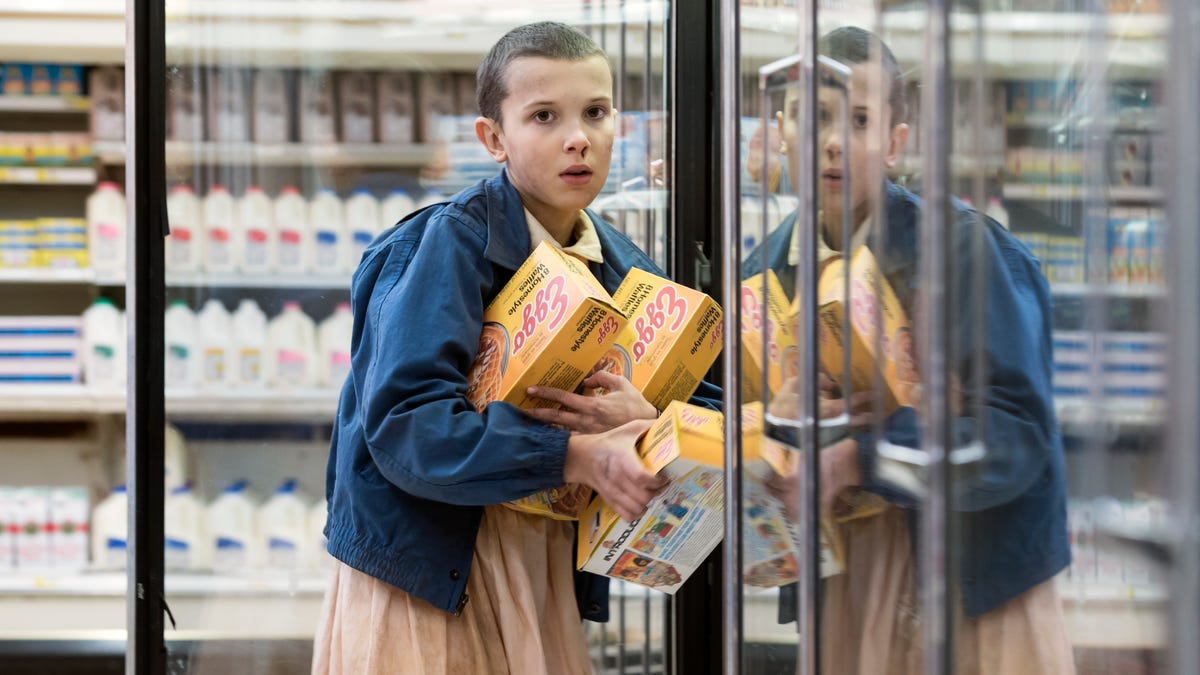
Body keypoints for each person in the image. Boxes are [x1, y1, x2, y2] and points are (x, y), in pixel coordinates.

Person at [312, 21, 721, 675]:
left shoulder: (624, 267)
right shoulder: (444, 246)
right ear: (493, 138)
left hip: (540, 571)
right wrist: (573, 452)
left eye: (596, 111)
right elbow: (406, 427)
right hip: (426, 577)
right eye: (543, 116)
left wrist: (648, 421)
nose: (578, 137)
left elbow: (710, 407)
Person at [744, 26, 1075, 673]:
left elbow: (1016, 437)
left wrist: (862, 457)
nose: (834, 141)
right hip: (846, 580)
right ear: (779, 131)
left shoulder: (965, 252)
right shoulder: (766, 270)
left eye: (860, 119)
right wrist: (776, 427)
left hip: (976, 585)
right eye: (813, 117)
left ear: (896, 142)